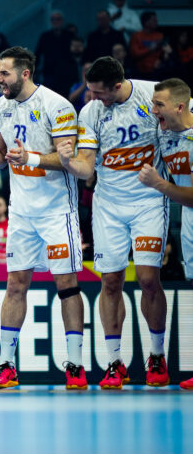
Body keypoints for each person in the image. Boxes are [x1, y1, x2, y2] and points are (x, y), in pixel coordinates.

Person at [0, 46, 88, 388]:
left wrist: (29, 157)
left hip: (57, 211)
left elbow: (69, 160)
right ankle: (6, 365)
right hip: (21, 212)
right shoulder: (0, 106)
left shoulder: (57, 105)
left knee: (67, 285)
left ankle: (76, 366)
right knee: (15, 284)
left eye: (4, 73)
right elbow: (0, 156)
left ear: (25, 73)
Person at [56, 57, 170, 388]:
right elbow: (87, 168)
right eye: (90, 91)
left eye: (99, 93)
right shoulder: (90, 112)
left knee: (148, 279)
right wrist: (67, 161)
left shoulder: (154, 95)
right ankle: (114, 362)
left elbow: (185, 111)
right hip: (108, 205)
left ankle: (157, 356)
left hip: (149, 201)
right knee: (110, 282)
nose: (93, 98)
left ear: (117, 86)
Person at [137, 78, 193, 390]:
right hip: (188, 222)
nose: (153, 110)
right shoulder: (166, 129)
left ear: (180, 106)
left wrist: (159, 184)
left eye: (159, 105)